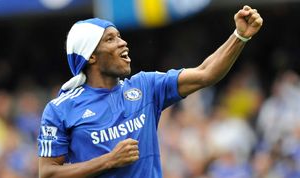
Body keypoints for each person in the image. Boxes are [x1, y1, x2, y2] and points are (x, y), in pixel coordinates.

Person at [37, 5, 263, 178]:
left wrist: (240, 36)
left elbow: (206, 73)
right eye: (110, 39)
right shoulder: (60, 109)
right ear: (91, 56)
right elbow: (47, 173)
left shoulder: (146, 86)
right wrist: (109, 160)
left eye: (119, 36)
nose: (122, 43)